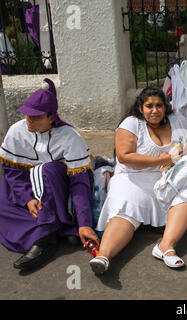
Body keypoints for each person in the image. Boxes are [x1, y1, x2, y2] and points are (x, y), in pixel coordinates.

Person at [90, 87, 187, 275]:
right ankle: (103, 256)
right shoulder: (131, 123)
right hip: (132, 177)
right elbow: (124, 156)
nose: (155, 110)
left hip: (166, 176)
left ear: (166, 107)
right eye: (149, 106)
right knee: (126, 209)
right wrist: (164, 159)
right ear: (140, 107)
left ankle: (166, 246)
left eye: (159, 105)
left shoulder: (178, 121)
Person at [0, 78, 98, 271]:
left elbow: (79, 183)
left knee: (46, 170)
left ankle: (46, 237)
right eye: (27, 114)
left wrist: (85, 223)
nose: (29, 119)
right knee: (3, 197)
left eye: (36, 116)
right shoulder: (16, 131)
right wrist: (28, 198)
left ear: (51, 117)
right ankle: (60, 229)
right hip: (27, 188)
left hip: (60, 190)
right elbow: (12, 173)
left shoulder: (70, 137)